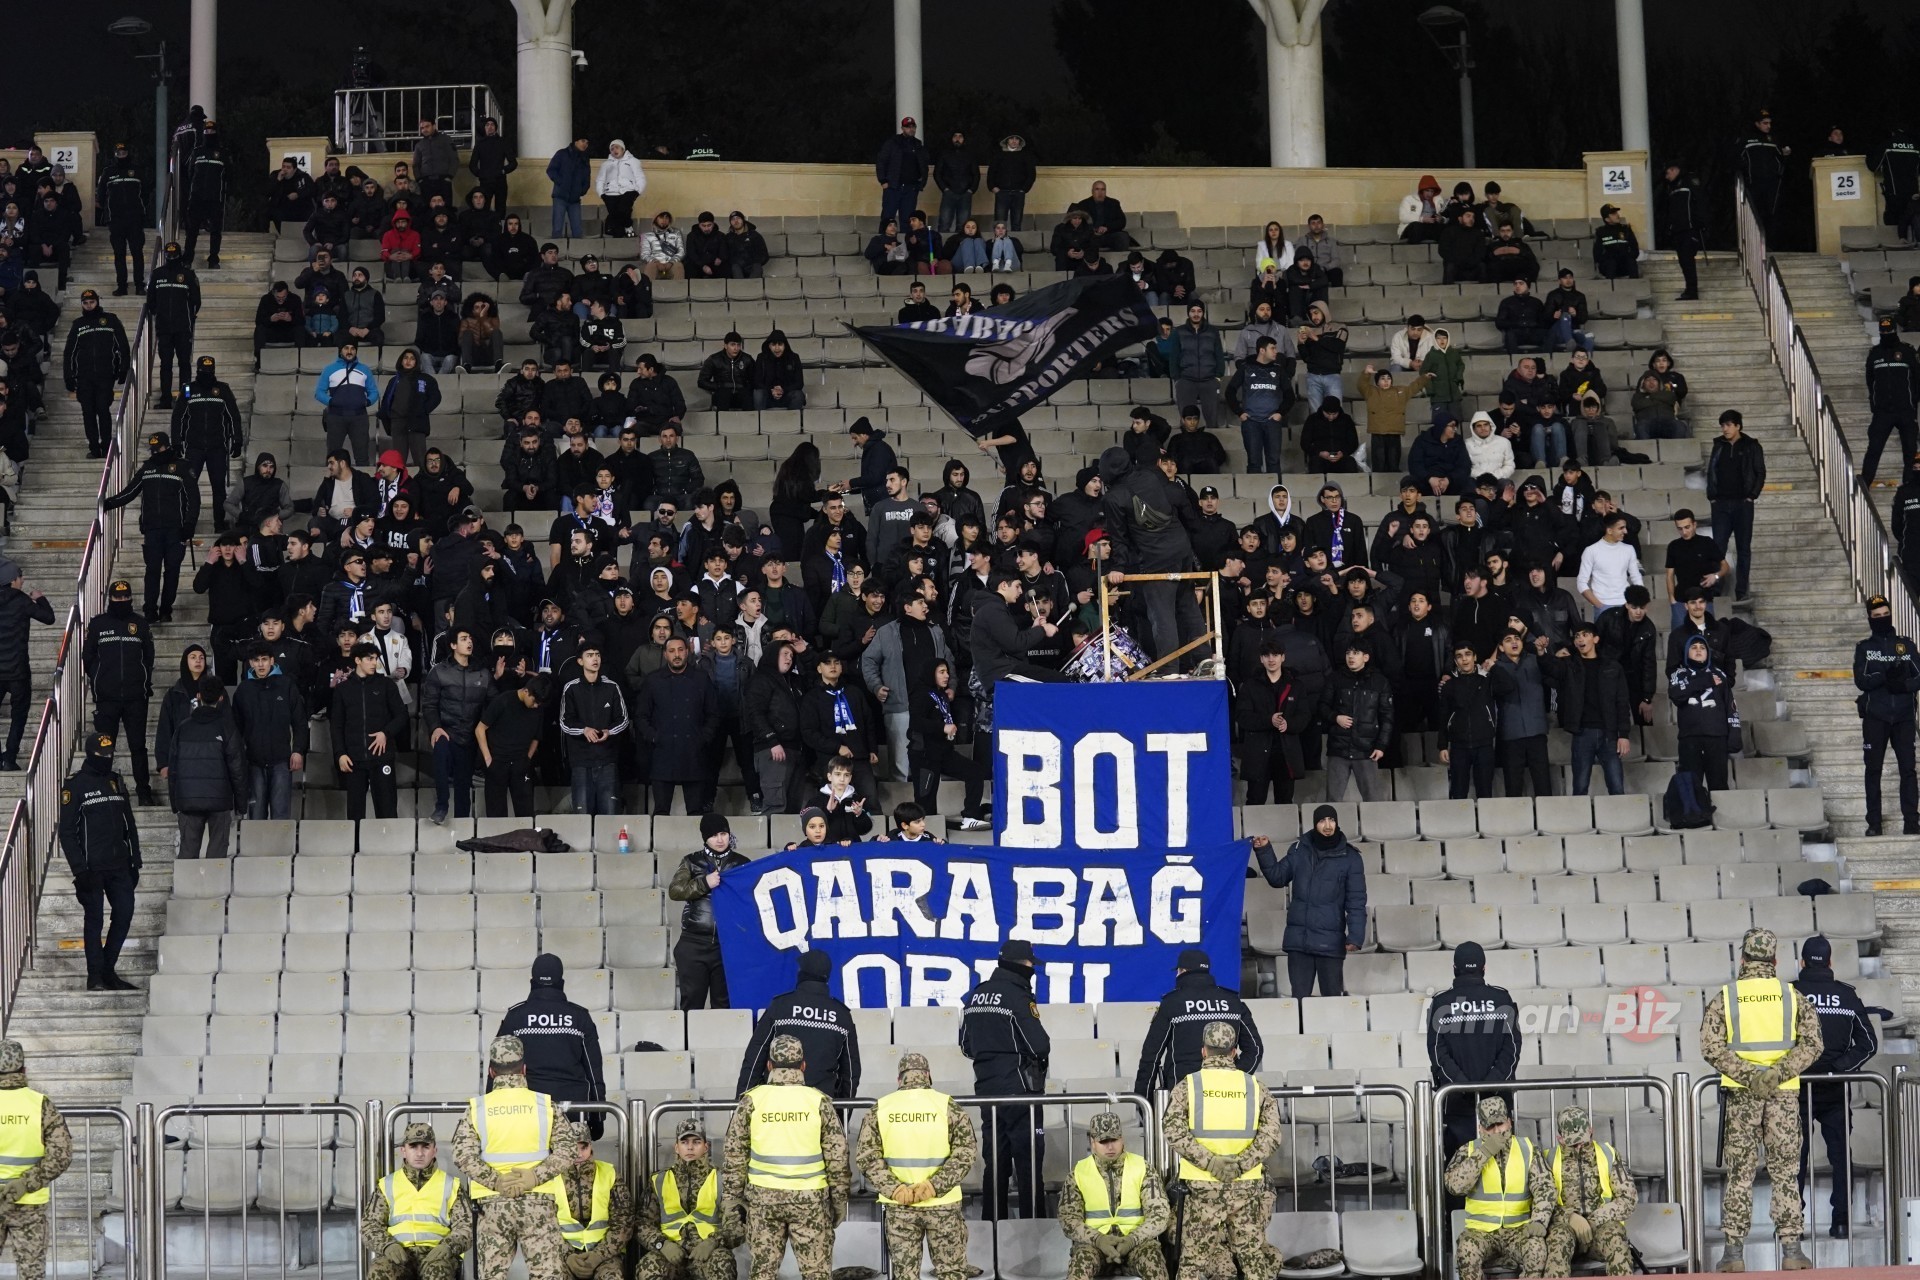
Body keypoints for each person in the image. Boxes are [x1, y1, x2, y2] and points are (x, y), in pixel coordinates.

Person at [1700, 928, 1824, 1273]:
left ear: (1742, 959)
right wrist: (1777, 1073)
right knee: (1785, 1173)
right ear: (1774, 960)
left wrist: (1749, 1075)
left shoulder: (1727, 996)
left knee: (1740, 1174)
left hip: (1742, 1097)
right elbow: (1814, 1044)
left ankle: (1733, 1254)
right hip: (1783, 1097)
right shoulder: (1792, 996)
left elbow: (1710, 1046)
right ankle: (1792, 1251)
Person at [721, 1034, 850, 1280]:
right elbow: (838, 1158)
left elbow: (734, 1155)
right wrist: (839, 1200)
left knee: (763, 1274)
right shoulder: (819, 1102)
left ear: (769, 1065)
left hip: (763, 1202)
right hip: (810, 1202)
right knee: (817, 1274)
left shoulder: (752, 1101)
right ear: (803, 1066)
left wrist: (731, 1200)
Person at [1161, 1022, 1281, 1280]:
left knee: (1192, 1263)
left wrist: (1210, 1163)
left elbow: (1172, 1130)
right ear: (1234, 1051)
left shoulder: (1188, 1086)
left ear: (1204, 1051)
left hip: (1202, 1187)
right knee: (1253, 1260)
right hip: (1246, 1186)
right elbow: (1271, 1136)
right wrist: (1240, 1164)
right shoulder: (1255, 1087)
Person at [453, 1036, 577, 1280]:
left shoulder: (477, 1108)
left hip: (493, 1205)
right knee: (547, 1276)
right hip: (538, 1202)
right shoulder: (545, 1105)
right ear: (524, 1069)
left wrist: (496, 1181)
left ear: (491, 1071)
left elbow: (462, 1154)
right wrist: (533, 1177)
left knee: (491, 1276)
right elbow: (568, 1149)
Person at [857, 1051, 977, 1280]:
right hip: (943, 1204)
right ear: (928, 1076)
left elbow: (867, 1157)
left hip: (900, 1205)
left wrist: (895, 1189)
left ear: (899, 1079)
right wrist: (933, 1186)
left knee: (904, 1275)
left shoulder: (880, 1108)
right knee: (951, 1272)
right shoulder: (948, 1106)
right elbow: (966, 1152)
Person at [961, 939, 1050, 1220]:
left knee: (995, 1164)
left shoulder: (976, 995)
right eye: (1031, 965)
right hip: (1021, 1092)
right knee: (1028, 1164)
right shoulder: (1017, 996)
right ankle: (1031, 1228)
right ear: (1023, 965)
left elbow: (965, 1046)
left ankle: (993, 1230)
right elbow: (1039, 1045)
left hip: (987, 1091)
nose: (1033, 970)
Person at [56, 731, 142, 990]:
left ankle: (108, 970)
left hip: (119, 865)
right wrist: (80, 871)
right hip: (91, 869)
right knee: (94, 920)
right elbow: (67, 831)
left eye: (109, 754)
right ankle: (95, 976)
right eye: (101, 755)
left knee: (124, 914)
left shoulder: (116, 781)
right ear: (90, 754)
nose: (106, 758)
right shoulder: (75, 785)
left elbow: (130, 823)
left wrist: (135, 860)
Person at [1251, 812, 1365, 995]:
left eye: (1332, 820)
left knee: (1332, 1001)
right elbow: (1277, 878)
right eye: (1322, 820)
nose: (1328, 825)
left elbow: (1356, 900)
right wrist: (1264, 851)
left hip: (1330, 943)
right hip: (1299, 942)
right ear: (1314, 824)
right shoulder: (1298, 849)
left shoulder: (1351, 857)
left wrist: (1356, 936)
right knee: (1299, 1002)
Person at [496, 953, 608, 1139]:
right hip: (573, 1113)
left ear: (533, 981)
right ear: (561, 982)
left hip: (528, 1113)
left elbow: (499, 1067)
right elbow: (594, 1072)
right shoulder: (580, 1017)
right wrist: (597, 1116)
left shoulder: (515, 1017)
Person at [1427, 942, 1522, 1157]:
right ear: (1484, 968)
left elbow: (1436, 1052)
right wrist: (1491, 1085)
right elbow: (1513, 1047)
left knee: (1461, 1168)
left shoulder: (1441, 1003)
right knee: (1500, 1165)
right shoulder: (1501, 998)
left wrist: (1461, 1085)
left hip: (1456, 1102)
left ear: (1454, 968)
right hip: (1497, 1101)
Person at [1133, 947, 1264, 1098]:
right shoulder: (1232, 1001)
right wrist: (1236, 1075)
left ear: (1182, 971)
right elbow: (1255, 1049)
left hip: (1184, 1093)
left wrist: (1144, 1101)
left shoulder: (1172, 1002)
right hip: (1227, 1093)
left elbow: (1151, 1056)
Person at [1445, 1096, 1552, 1280]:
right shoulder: (1469, 1150)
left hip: (1519, 1230)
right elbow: (1455, 1187)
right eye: (1490, 1127)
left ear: (1509, 1122)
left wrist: (1539, 1220)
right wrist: (1484, 1153)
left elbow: (1545, 1188)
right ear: (1480, 1128)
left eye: (1500, 1124)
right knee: (1466, 1250)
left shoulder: (1528, 1148)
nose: (1496, 1131)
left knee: (1537, 1250)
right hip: (1480, 1232)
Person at [1058, 1110, 1169, 1280]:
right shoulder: (1078, 1173)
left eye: (1114, 1140)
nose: (1110, 1147)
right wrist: (1098, 1240)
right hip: (1094, 1246)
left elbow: (1160, 1214)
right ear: (1092, 1142)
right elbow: (1068, 1220)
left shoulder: (1142, 1168)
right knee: (1080, 1266)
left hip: (1137, 1244)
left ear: (1122, 1139)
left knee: (1154, 1264)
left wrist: (1132, 1240)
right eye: (1104, 1141)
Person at [737, 949, 861, 1098]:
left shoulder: (780, 1006)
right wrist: (840, 1114)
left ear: (802, 973)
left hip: (776, 1103)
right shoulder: (842, 1016)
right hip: (820, 1108)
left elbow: (754, 1059)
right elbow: (851, 1074)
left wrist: (743, 1104)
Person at [0, 1037, 74, 1278]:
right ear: (23, 1069)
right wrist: (25, 1183)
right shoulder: (41, 1105)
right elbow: (61, 1155)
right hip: (29, 1202)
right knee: (31, 1274)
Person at [363, 1123, 472, 1280]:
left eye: (425, 1147)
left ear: (434, 1150)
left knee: (439, 1272)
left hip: (436, 1255)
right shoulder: (387, 1184)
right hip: (398, 1253)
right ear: (404, 1151)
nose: (420, 1153)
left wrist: (448, 1246)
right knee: (380, 1271)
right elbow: (370, 1224)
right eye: (413, 1146)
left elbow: (466, 1226)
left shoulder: (451, 1185)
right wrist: (387, 1245)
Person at [82, 580, 157, 806]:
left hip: (136, 698)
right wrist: (99, 680)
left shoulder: (140, 624)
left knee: (138, 747)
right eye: (118, 598)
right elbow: (88, 657)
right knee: (104, 746)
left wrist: (142, 681)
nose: (122, 601)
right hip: (107, 698)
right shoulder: (98, 624)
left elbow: (148, 657)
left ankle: (143, 792)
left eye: (126, 598)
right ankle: (102, 789)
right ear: (110, 599)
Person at [1542, 1105, 1637, 1277]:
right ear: (1560, 1138)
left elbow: (1628, 1199)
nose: (1578, 1147)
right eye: (1573, 1143)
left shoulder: (1609, 1154)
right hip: (1566, 1229)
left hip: (1601, 1228)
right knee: (1556, 1243)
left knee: (1616, 1240)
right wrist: (1570, 1217)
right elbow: (1540, 1204)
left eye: (1582, 1141)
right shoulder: (1547, 1159)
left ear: (1591, 1131)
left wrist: (1593, 1221)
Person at [668, 815, 751, 1008]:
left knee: (724, 1005)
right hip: (694, 942)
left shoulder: (742, 863)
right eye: (714, 835)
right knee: (691, 1003)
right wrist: (705, 882)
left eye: (723, 834)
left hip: (728, 943)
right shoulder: (691, 861)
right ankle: (688, 1039)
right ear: (705, 837)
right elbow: (675, 891)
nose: (720, 839)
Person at [1854, 593, 1920, 836]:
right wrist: (1884, 676)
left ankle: (1912, 822)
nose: (1882, 618)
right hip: (1875, 717)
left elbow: (1918, 676)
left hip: (1903, 716)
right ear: (1870, 618)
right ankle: (1874, 823)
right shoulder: (1864, 648)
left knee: (1908, 770)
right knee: (1873, 770)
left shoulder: (1906, 644)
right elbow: (1861, 681)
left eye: (1885, 615)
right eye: (1876, 616)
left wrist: (1902, 686)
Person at [638, 1119, 737, 1280]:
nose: (690, 1147)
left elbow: (738, 1223)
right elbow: (642, 1223)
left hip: (707, 1253)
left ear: (706, 1147)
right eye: (684, 1142)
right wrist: (662, 1244)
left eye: (696, 1142)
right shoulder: (659, 1180)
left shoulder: (722, 1179)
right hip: (671, 1252)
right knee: (647, 1268)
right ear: (676, 1147)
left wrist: (713, 1242)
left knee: (723, 1263)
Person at [169, 675, 243, 859]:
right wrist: (241, 804)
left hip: (187, 800)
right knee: (217, 855)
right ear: (221, 698)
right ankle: (213, 888)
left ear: (199, 696)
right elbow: (237, 768)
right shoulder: (227, 727)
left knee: (188, 852)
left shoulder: (182, 728)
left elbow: (173, 768)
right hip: (220, 799)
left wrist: (174, 802)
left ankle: (187, 888)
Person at [232, 642, 308, 820]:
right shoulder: (243, 690)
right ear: (250, 663)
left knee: (281, 815)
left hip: (282, 760)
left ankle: (280, 849)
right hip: (253, 762)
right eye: (256, 660)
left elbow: (300, 722)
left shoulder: (286, 685)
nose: (260, 664)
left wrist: (298, 750)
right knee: (256, 815)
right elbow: (235, 729)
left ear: (272, 661)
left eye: (264, 660)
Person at [332, 641, 406, 820]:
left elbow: (402, 716)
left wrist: (385, 733)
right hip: (354, 759)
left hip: (382, 758)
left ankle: (389, 847)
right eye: (369, 659)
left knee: (387, 809)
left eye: (376, 659)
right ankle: (356, 847)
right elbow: (336, 725)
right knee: (355, 812)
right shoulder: (343, 689)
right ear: (357, 660)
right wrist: (340, 754)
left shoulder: (387, 685)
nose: (374, 663)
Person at [173, 356, 244, 528]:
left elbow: (234, 416)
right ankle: (187, 521)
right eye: (203, 371)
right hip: (194, 447)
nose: (206, 374)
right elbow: (178, 418)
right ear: (197, 371)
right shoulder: (188, 389)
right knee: (188, 485)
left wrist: (237, 440)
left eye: (209, 371)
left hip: (217, 447)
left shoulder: (223, 389)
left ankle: (219, 522)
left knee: (218, 487)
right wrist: (176, 442)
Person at [559, 642, 628, 815]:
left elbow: (624, 719)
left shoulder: (612, 687)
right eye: (589, 655)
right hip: (581, 761)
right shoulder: (571, 688)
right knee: (582, 816)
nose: (595, 658)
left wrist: (609, 732)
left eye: (597, 654)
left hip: (607, 760)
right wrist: (583, 730)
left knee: (610, 815)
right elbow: (564, 721)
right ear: (580, 661)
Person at [62, 290, 131, 459]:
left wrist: (123, 368)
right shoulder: (78, 324)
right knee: (88, 412)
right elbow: (69, 351)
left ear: (97, 302)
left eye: (92, 302)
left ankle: (106, 446)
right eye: (85, 303)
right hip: (84, 377)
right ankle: (94, 448)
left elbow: (123, 345)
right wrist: (68, 376)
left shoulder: (110, 320)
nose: (89, 306)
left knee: (102, 409)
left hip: (105, 375)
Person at [1706, 410, 1765, 606]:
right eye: (1723, 425)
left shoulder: (1751, 445)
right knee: (1717, 548)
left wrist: (1751, 496)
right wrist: (1712, 497)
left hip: (1742, 504)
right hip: (1721, 504)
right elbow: (1711, 470)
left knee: (1743, 549)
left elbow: (1760, 472)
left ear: (1738, 426)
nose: (1725, 429)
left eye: (1728, 425)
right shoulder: (1718, 445)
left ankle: (1741, 590)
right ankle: (1715, 588)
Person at [476, 675, 551, 818]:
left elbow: (536, 737)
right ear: (526, 691)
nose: (536, 706)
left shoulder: (538, 709)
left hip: (521, 763)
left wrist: (528, 758)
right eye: (535, 702)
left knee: (525, 813)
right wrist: (488, 759)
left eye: (539, 704)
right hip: (497, 762)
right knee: (496, 814)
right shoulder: (503, 701)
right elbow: (480, 729)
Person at [1862, 317, 1919, 485]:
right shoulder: (1875, 354)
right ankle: (1864, 485)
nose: (1887, 333)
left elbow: (1917, 378)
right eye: (1884, 331)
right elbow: (1870, 381)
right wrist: (1874, 405)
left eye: (1889, 330)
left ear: (1895, 330)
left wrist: (1913, 402)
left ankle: (1908, 487)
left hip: (1906, 411)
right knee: (1874, 449)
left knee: (1910, 451)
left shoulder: (1907, 352)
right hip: (1883, 412)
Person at [148, 242, 202, 404]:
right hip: (164, 328)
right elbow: (151, 299)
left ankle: (185, 397)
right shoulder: (157, 274)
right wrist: (158, 314)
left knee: (184, 363)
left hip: (183, 328)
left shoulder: (188, 275)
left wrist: (189, 318)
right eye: (168, 254)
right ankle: (166, 397)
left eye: (174, 254)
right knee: (166, 364)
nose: (171, 257)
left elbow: (196, 301)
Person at [1168, 304, 1225, 428]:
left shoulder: (1213, 331)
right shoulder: (1179, 331)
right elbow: (1174, 356)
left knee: (1212, 420)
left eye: (1199, 311)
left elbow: (1219, 354)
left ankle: (1210, 445)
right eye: (1193, 311)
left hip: (1209, 379)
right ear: (1188, 313)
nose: (1196, 314)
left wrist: (1218, 376)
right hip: (1186, 379)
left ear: (1203, 313)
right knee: (1186, 420)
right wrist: (1177, 379)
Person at [182, 121, 228, 266]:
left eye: (212, 131)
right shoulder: (197, 152)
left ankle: (213, 259)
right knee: (192, 231)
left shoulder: (222, 153)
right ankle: (187, 259)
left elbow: (229, 175)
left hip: (215, 198)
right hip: (197, 197)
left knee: (215, 231)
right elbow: (190, 173)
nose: (209, 134)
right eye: (206, 131)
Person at [1737, 109, 1790, 232]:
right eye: (1765, 123)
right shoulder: (1746, 138)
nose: (1768, 126)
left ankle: (1769, 243)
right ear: (1757, 124)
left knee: (1771, 213)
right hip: (1753, 183)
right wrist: (1746, 172)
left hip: (1771, 183)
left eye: (1769, 123)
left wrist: (1785, 155)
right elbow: (1736, 157)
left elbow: (1780, 159)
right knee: (1753, 212)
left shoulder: (1773, 139)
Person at [877, 117, 930, 233]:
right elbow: (881, 161)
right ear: (902, 128)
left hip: (911, 188)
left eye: (913, 127)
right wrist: (883, 181)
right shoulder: (892, 143)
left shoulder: (918, 145)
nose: (911, 129)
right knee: (887, 218)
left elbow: (923, 165)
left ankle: (906, 248)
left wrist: (921, 183)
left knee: (908, 220)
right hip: (893, 187)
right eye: (908, 127)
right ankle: (883, 246)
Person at [1663, 164, 1707, 300]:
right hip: (1678, 231)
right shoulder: (1672, 188)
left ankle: (1692, 291)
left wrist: (1700, 224)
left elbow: (1700, 203)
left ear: (1675, 170)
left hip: (1690, 230)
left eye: (1668, 173)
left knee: (1687, 260)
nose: (1667, 177)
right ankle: (1689, 289)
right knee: (1683, 261)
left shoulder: (1689, 182)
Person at [596, 140, 646, 237]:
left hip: (628, 190)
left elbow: (640, 177)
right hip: (610, 192)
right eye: (612, 148)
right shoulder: (606, 164)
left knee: (623, 209)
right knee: (614, 215)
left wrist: (638, 191)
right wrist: (601, 193)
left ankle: (628, 225)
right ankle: (618, 236)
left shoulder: (633, 161)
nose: (614, 150)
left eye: (617, 147)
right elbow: (600, 179)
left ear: (623, 149)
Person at [547, 135, 592, 239]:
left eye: (587, 142)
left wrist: (582, 190)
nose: (585, 144)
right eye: (583, 140)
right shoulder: (562, 154)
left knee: (577, 231)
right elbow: (551, 170)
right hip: (560, 197)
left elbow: (587, 177)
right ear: (576, 141)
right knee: (557, 229)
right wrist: (561, 183)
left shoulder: (584, 158)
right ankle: (557, 252)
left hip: (575, 199)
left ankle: (578, 253)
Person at [1593, 205, 1640, 280]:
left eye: (1616, 213)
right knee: (1610, 263)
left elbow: (1634, 248)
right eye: (1613, 214)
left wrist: (1629, 256)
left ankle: (1635, 288)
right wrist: (1607, 257)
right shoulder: (1601, 232)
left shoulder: (1626, 229)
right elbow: (1597, 253)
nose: (1617, 215)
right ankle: (1611, 289)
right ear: (1607, 219)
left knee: (1631, 262)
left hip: (1624, 263)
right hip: (1609, 265)